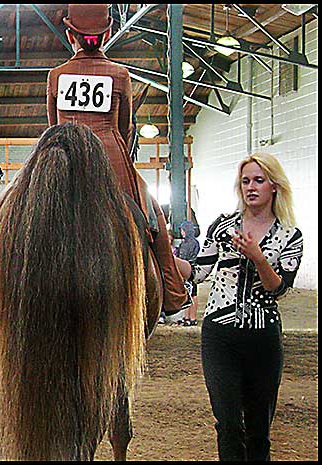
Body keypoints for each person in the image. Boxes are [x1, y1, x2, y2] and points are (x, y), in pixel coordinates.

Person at [46, 3, 190, 314]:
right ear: (108, 31)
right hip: (110, 155)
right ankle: (173, 290)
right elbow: (124, 127)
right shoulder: (119, 74)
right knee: (154, 220)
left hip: (64, 156)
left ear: (69, 33)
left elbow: (53, 127)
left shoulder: (56, 75)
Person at [175, 152, 303, 461]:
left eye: (259, 180)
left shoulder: (290, 235)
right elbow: (197, 271)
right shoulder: (222, 227)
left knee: (259, 428)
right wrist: (164, 255)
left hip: (263, 337)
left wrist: (258, 258)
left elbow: (279, 289)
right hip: (219, 336)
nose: (251, 187)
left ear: (275, 186)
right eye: (245, 181)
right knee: (229, 424)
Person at [175, 220, 201, 326]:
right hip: (188, 271)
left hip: (189, 271)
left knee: (192, 294)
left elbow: (186, 258)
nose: (182, 232)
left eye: (182, 230)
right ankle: (187, 317)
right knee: (188, 294)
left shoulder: (190, 243)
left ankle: (192, 318)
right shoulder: (188, 243)